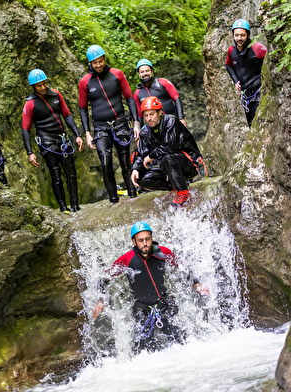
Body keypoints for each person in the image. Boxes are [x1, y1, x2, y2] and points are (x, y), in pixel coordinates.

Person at [93, 221, 209, 352]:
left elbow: (181, 266)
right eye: (141, 240)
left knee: (181, 344)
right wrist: (100, 300)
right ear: (134, 242)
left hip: (164, 304)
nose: (145, 243)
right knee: (146, 354)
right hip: (142, 310)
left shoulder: (162, 252)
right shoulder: (127, 260)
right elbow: (104, 278)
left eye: (147, 239)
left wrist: (197, 284)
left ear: (151, 238)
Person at [79, 45, 141, 203]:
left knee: (125, 163)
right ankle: (114, 200)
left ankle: (133, 195)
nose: (98, 65)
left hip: (120, 123)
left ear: (104, 59)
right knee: (105, 163)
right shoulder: (85, 82)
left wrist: (136, 123)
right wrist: (87, 133)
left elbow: (129, 99)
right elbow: (83, 109)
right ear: (90, 63)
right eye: (94, 63)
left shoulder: (117, 74)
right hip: (100, 128)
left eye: (100, 61)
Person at [22, 69, 83, 214]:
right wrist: (30, 153)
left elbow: (67, 115)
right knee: (56, 176)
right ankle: (63, 208)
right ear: (33, 87)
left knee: (71, 174)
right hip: (47, 143)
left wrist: (77, 135)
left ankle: (75, 206)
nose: (43, 87)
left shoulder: (56, 94)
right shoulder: (30, 104)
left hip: (63, 139)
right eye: (39, 86)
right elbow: (26, 129)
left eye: (44, 84)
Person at [130, 96, 207, 207]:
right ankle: (173, 186)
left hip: (187, 163)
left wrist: (151, 155)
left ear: (160, 112)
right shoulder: (145, 131)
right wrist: (135, 168)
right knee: (140, 177)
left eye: (152, 114)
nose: (149, 118)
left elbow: (171, 147)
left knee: (168, 157)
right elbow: (141, 154)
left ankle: (183, 191)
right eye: (146, 116)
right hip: (167, 167)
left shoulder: (171, 121)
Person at [225, 19, 268, 127]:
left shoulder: (257, 48)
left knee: (259, 125)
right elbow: (228, 65)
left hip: (259, 92)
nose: (239, 38)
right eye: (236, 35)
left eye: (242, 35)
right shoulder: (231, 50)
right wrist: (235, 81)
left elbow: (272, 59)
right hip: (246, 95)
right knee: (251, 125)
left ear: (248, 35)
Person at [134, 59, 186, 127]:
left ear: (152, 71)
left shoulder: (163, 82)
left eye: (147, 71)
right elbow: (140, 115)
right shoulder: (137, 93)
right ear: (139, 74)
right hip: (154, 126)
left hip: (172, 121)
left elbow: (176, 98)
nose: (145, 73)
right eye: (142, 72)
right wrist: (140, 130)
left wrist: (181, 118)